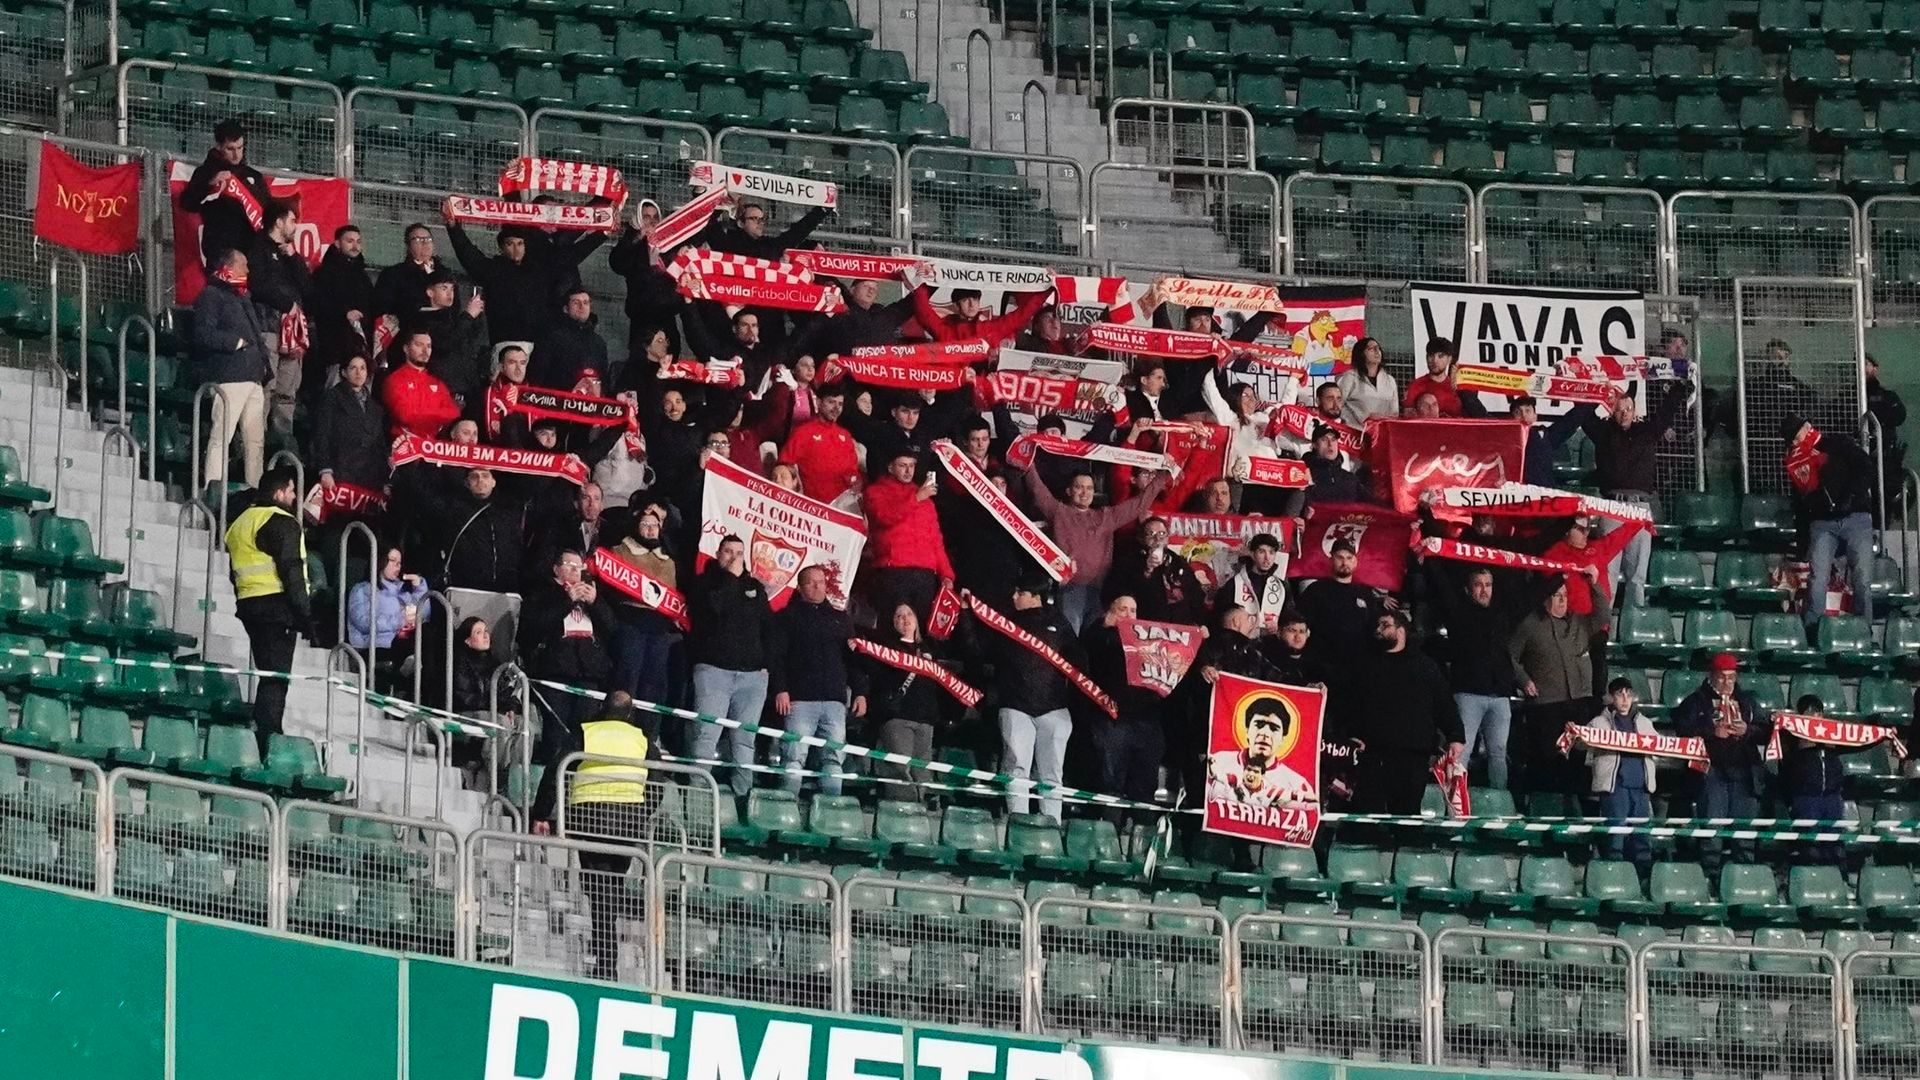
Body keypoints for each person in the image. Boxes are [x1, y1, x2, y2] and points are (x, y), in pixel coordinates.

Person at [529, 690, 656, 982]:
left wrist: (541, 813)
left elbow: (555, 772)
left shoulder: (586, 732)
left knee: (598, 888)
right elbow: (658, 782)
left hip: (589, 819)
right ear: (630, 712)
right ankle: (606, 959)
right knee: (611, 886)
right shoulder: (642, 740)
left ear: (602, 708)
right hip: (628, 822)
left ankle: (605, 962)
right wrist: (642, 811)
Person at [1577, 384, 1690, 609]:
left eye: (1629, 408)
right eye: (1620, 409)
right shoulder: (1603, 433)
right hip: (1612, 507)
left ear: (1634, 410)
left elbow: (1665, 413)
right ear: (1612, 411)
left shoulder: (1647, 431)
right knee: (1607, 572)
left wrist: (1679, 388)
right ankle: (1603, 628)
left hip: (1640, 509)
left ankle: (1634, 622)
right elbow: (1583, 414)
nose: (1625, 412)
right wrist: (1582, 386)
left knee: (1637, 575)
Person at [222, 465, 310, 757]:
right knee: (276, 678)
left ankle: (267, 735)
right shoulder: (281, 521)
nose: (295, 497)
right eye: (293, 491)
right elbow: (292, 571)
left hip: (249, 606)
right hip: (277, 608)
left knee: (268, 674)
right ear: (280, 491)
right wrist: (305, 617)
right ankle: (269, 740)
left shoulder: (240, 523)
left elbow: (234, 574)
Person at [1339, 609, 1463, 813]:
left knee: (1407, 813)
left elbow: (1444, 703)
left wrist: (1456, 735)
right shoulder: (1365, 665)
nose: (1378, 630)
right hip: (1373, 753)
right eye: (1377, 626)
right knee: (1370, 813)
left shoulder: (1425, 666)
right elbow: (1351, 704)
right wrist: (1351, 735)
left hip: (1413, 754)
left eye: (1385, 625)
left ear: (1402, 630)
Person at [981, 571, 1081, 821]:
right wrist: (965, 616)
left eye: (1021, 592)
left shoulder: (1059, 622)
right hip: (1016, 706)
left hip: (1054, 708)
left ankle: (1053, 824)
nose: (1014, 596)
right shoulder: (1006, 623)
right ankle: (1018, 823)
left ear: (1036, 597)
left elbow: (1079, 660)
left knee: (1052, 772)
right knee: (1017, 768)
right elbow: (980, 650)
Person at [1021, 466, 1168, 631]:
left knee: (1095, 641)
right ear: (1069, 491)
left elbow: (1138, 505)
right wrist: (1029, 466)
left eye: (1089, 488)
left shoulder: (1106, 517)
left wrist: (1163, 476)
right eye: (1079, 487)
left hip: (1100, 591)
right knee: (1071, 638)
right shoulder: (1058, 511)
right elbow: (1038, 490)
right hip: (1069, 589)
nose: (1085, 492)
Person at [688, 534, 779, 799]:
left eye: (739, 553)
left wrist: (764, 666)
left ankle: (742, 798)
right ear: (718, 554)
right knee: (707, 735)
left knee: (744, 740)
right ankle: (697, 796)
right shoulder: (705, 583)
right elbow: (714, 609)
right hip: (714, 671)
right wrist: (731, 578)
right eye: (728, 551)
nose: (734, 557)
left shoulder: (755, 588)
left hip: (752, 678)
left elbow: (767, 628)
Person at [769, 566, 867, 796]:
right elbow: (776, 657)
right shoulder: (787, 617)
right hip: (800, 700)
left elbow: (853, 659)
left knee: (833, 761)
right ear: (800, 588)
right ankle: (786, 807)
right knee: (794, 758)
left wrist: (861, 691)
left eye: (821, 582)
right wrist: (781, 689)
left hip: (834, 701)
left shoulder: (840, 619)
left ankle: (831, 813)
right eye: (811, 583)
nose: (817, 586)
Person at [1508, 581, 1604, 808]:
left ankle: (1573, 812)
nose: (1563, 600)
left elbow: (1603, 615)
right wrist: (1524, 680)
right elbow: (1509, 656)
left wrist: (1594, 585)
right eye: (1557, 595)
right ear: (1545, 598)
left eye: (1565, 595)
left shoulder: (1579, 623)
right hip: (1546, 707)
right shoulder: (1530, 624)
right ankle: (1545, 811)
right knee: (1548, 762)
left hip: (1578, 702)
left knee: (1577, 760)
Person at [1672, 653, 1771, 873]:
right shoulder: (1695, 701)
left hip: (1744, 773)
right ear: (1711, 676)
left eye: (1731, 678)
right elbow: (1683, 731)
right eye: (1722, 677)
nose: (1727, 683)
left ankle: (1745, 874)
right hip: (1712, 772)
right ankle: (1711, 873)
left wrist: (1748, 730)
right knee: (1713, 828)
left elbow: (1767, 731)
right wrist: (1711, 732)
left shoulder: (1747, 701)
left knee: (1744, 830)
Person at [1430, 567, 1524, 790]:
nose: (1484, 590)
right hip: (1468, 694)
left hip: (1499, 695)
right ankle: (1453, 803)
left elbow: (1531, 598)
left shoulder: (1502, 615)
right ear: (1467, 588)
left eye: (1488, 585)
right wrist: (1428, 559)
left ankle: (1498, 805)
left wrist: (1559, 575)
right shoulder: (1458, 612)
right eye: (1478, 585)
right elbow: (1442, 586)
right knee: (1461, 750)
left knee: (1499, 753)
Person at [1784, 413, 1877, 629]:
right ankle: (1812, 631)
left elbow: (1865, 468)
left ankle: (1864, 630)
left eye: (1797, 437)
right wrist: (1803, 540)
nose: (1797, 443)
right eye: (1793, 441)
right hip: (1823, 522)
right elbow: (1801, 503)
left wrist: (1851, 497)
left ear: (1807, 428)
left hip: (1854, 516)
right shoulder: (1798, 463)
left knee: (1862, 578)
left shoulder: (1838, 443)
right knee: (1818, 579)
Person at [1079, 595, 1165, 825]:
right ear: (1110, 612)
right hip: (1112, 720)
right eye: (1123, 609)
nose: (1129, 614)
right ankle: (1107, 836)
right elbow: (1085, 647)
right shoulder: (1100, 636)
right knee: (1110, 783)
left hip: (1146, 720)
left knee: (1145, 785)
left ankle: (1140, 841)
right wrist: (1103, 625)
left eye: (1133, 610)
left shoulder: (1149, 641)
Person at [519, 548, 617, 745]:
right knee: (556, 737)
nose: (575, 571)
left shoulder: (591, 596)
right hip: (555, 675)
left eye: (579, 566)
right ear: (556, 569)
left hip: (589, 676)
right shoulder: (542, 594)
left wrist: (596, 603)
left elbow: (612, 630)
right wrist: (567, 601)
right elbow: (531, 630)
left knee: (583, 739)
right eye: (569, 565)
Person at [191, 248, 271, 486]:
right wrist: (236, 343)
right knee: (221, 436)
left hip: (254, 378)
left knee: (255, 442)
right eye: (243, 264)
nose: (247, 270)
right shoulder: (212, 294)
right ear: (229, 266)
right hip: (230, 377)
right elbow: (202, 333)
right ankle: (213, 487)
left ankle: (255, 489)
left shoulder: (242, 297)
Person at [860, 603, 951, 798]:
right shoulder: (884, 647)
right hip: (898, 716)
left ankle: (921, 811)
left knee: (922, 772)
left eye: (909, 614)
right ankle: (902, 813)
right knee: (900, 768)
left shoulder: (929, 649)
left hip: (925, 718)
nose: (905, 619)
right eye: (899, 615)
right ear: (893, 622)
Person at [1572, 677, 1658, 873]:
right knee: (1616, 833)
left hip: (1641, 785)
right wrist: (1579, 735)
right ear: (1611, 698)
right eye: (1620, 694)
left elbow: (1662, 746)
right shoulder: (1599, 723)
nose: (1625, 699)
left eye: (1628, 694)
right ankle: (1615, 873)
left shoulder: (1644, 723)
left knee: (1642, 834)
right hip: (1615, 786)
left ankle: (1643, 875)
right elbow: (1580, 744)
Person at [244, 201, 313, 439]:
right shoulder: (258, 245)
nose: (296, 226)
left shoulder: (289, 253)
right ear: (279, 221)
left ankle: (282, 443)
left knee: (287, 392)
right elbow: (257, 283)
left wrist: (294, 258)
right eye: (293, 221)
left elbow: (307, 288)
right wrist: (287, 304)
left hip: (292, 333)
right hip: (268, 327)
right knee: (266, 386)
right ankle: (256, 442)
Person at [862, 449, 956, 621]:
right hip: (894, 571)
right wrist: (916, 499)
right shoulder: (876, 491)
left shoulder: (924, 497)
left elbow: (935, 540)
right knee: (895, 628)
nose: (908, 471)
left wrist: (946, 574)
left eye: (912, 466)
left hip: (924, 574)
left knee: (921, 630)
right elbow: (884, 518)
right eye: (902, 465)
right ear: (890, 467)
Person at [601, 507, 680, 705]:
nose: (651, 530)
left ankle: (648, 732)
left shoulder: (668, 561)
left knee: (654, 683)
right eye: (645, 525)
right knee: (627, 677)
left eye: (654, 525)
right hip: (630, 623)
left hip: (659, 629)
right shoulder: (619, 552)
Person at [444, 209, 557, 346]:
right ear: (502, 247)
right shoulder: (494, 271)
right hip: (505, 343)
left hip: (538, 344)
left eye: (520, 243)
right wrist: (453, 227)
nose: (516, 248)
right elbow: (468, 254)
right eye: (510, 244)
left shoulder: (537, 272)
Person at [179, 118, 269, 268]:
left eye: (240, 148)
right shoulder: (206, 173)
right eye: (230, 149)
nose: (236, 154)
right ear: (219, 146)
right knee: (222, 291)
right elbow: (187, 203)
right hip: (221, 251)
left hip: (251, 252)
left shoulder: (254, 176)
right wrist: (210, 184)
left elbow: (267, 211)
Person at [420, 468, 526, 593]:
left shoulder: (509, 509)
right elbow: (424, 496)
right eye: (474, 476)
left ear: (494, 482)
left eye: (485, 476)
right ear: (466, 483)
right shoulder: (453, 508)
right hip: (465, 587)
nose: (480, 480)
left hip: (503, 589)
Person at [1292, 539, 1389, 671]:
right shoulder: (1316, 590)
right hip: (1322, 663)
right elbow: (1300, 622)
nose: (1345, 562)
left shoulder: (1365, 593)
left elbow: (1373, 626)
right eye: (1340, 557)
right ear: (1331, 559)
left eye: (1349, 558)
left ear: (1355, 562)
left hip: (1357, 665)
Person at [405, 268, 490, 406]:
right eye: (444, 288)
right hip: (446, 391)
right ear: (430, 292)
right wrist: (468, 316)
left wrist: (477, 317)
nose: (450, 293)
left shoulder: (454, 318)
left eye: (452, 288)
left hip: (469, 390)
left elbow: (473, 341)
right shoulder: (423, 320)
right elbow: (446, 343)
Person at [608, 202, 683, 356]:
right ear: (638, 219)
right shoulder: (632, 245)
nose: (652, 221)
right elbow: (616, 262)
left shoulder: (669, 243)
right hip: (641, 316)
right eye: (647, 217)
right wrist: (638, 237)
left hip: (667, 314)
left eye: (656, 217)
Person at [1779, 694, 1847, 865]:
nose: (1815, 716)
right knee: (1809, 845)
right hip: (1806, 797)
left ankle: (1837, 877)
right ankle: (1809, 880)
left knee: (1834, 844)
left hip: (1831, 797)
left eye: (1818, 712)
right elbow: (1786, 767)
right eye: (1810, 712)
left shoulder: (1832, 735)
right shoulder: (1791, 736)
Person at [1104, 516, 1208, 625]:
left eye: (1162, 534)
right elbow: (1116, 593)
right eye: (1151, 534)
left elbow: (1195, 595)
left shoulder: (1178, 563)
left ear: (1168, 538)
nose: (1157, 538)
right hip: (1144, 625)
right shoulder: (1128, 562)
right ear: (1142, 538)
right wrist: (1147, 571)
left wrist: (1200, 623)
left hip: (1180, 627)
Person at [780, 381, 862, 503]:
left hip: (843, 508)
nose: (836, 408)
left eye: (840, 404)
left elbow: (853, 472)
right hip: (813, 508)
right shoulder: (803, 432)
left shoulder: (846, 436)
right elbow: (784, 465)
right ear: (818, 402)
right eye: (831, 402)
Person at [908, 281, 1055, 344]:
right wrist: (919, 282)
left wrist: (1048, 287)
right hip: (948, 391)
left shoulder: (990, 329)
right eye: (966, 300)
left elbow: (1021, 314)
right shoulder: (945, 329)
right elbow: (924, 314)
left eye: (975, 299)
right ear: (956, 305)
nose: (972, 304)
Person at [345, 546, 432, 650]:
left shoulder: (400, 591)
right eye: (393, 560)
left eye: (399, 562)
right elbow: (363, 623)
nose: (398, 565)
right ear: (380, 561)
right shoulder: (362, 590)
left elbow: (424, 615)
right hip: (376, 646)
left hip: (403, 640)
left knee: (428, 632)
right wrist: (401, 620)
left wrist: (419, 588)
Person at [381, 329, 463, 438]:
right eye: (419, 345)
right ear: (406, 349)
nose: (425, 350)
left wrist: (420, 411)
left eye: (429, 346)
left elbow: (454, 413)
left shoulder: (437, 383)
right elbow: (405, 415)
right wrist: (438, 414)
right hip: (403, 446)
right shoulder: (395, 380)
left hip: (431, 447)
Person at [529, 288, 611, 391]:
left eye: (585, 303)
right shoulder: (551, 338)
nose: (582, 307)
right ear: (566, 309)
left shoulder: (599, 342)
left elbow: (603, 380)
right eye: (576, 303)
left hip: (590, 404)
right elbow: (537, 376)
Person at [1216, 532, 1288, 636]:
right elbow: (1221, 617)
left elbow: (1289, 618)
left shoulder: (1281, 587)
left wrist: (1279, 627)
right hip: (1239, 643)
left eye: (1271, 552)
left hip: (1271, 644)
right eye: (1261, 552)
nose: (1267, 558)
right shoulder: (1234, 583)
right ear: (1253, 554)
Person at [373, 222, 445, 324]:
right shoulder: (393, 275)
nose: (425, 243)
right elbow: (382, 308)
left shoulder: (443, 274)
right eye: (418, 240)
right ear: (408, 246)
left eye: (428, 239)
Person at [1866, 354, 1907, 518]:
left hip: (1884, 459)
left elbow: (1899, 416)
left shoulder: (1887, 396)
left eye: (1866, 364)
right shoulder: (1847, 396)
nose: (1862, 368)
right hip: (1857, 457)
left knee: (1883, 499)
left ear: (1875, 368)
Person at [1403, 337, 1474, 417]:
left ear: (1449, 359)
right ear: (1426, 357)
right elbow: (1407, 418)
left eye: (1440, 356)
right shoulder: (1415, 385)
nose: (1435, 360)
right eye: (1431, 355)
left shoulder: (1458, 386)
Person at [1336, 336, 1397, 426]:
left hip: (1381, 432)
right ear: (1361, 354)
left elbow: (1395, 412)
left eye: (1378, 348)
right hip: (1355, 433)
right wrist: (1358, 420)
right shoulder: (1350, 377)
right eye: (1371, 349)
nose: (1377, 352)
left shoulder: (1390, 380)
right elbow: (1339, 404)